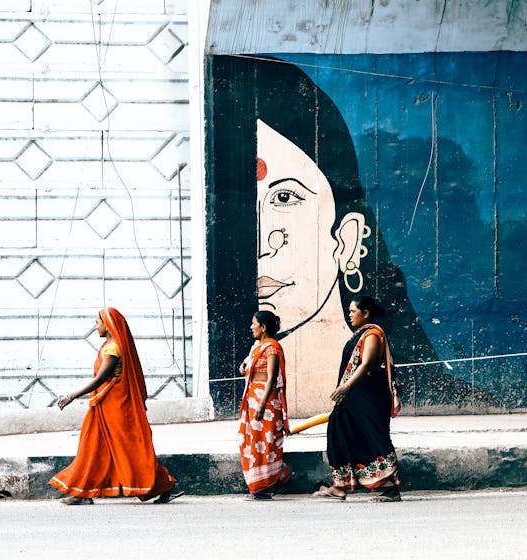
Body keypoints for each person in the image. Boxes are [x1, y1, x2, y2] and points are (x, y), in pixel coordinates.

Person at [207, 55, 491, 418]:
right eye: (250, 207)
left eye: (284, 197)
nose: (265, 242)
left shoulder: (373, 342)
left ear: (346, 239)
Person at [49, 307, 182, 505]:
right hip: (104, 406)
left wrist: (72, 395)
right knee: (93, 449)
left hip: (115, 408)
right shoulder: (108, 346)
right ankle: (83, 493)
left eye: (97, 322)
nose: (96, 327)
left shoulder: (112, 349)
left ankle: (165, 486)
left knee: (129, 450)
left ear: (107, 325)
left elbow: (101, 378)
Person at [314, 295, 402, 502]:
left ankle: (389, 487)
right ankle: (340, 485)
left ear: (366, 313)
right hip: (355, 396)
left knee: (372, 436)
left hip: (368, 395)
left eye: (353, 311)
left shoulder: (372, 334)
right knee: (339, 430)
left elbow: (367, 363)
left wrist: (345, 386)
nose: (350, 314)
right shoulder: (359, 335)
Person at [238, 310, 292, 500]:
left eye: (254, 324)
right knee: (253, 442)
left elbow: (271, 379)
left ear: (263, 327)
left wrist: (262, 405)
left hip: (266, 402)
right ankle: (266, 481)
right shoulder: (257, 347)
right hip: (252, 399)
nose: (251, 327)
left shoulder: (272, 348)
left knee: (267, 443)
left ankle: (267, 484)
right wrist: (244, 367)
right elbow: (248, 367)